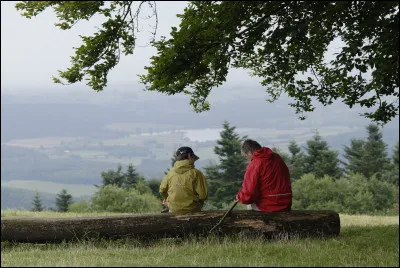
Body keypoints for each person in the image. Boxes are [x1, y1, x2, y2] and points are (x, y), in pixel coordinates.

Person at [236, 139, 292, 212]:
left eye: (246, 157)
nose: (248, 160)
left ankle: (257, 223)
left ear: (249, 153)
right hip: (286, 204)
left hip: (270, 206)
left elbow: (249, 194)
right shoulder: (277, 157)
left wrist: (239, 197)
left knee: (249, 205)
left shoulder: (255, 164)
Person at [159, 146, 208, 214]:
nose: (194, 161)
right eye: (193, 158)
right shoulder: (196, 173)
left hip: (173, 210)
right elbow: (203, 195)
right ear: (189, 155)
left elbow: (162, 190)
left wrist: (168, 200)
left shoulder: (170, 173)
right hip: (192, 210)